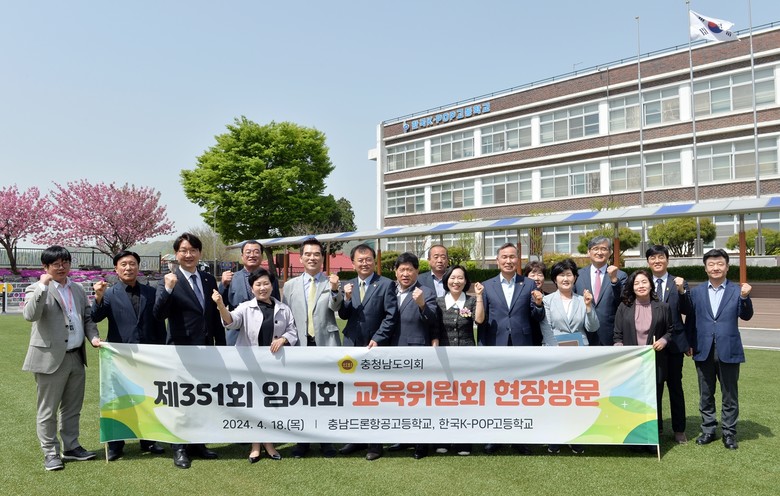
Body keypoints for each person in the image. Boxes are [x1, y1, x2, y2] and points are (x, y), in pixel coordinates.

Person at [22, 245, 100, 471]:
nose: (61, 267)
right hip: (50, 358)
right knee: (48, 410)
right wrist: (42, 286)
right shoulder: (35, 288)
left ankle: (71, 446)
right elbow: (30, 315)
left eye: (65, 262)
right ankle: (50, 452)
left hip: (76, 356)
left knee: (72, 407)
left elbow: (87, 317)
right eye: (55, 264)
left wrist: (93, 337)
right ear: (45, 267)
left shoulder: (77, 289)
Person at [153, 232, 225, 469]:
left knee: (201, 398)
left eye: (193, 250)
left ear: (199, 253)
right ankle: (179, 448)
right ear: (176, 254)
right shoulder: (168, 280)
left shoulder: (208, 279)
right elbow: (158, 314)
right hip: (180, 350)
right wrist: (168, 289)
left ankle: (198, 443)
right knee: (181, 400)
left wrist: (222, 346)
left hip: (205, 348)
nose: (188, 254)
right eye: (183, 250)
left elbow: (213, 316)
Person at [212, 268, 297, 463]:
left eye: (266, 283)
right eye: (258, 284)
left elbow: (292, 330)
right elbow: (231, 321)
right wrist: (221, 306)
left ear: (272, 286)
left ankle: (269, 443)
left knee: (270, 405)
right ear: (252, 289)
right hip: (250, 366)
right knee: (254, 405)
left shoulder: (283, 309)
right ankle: (256, 445)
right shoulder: (245, 308)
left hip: (275, 366)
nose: (262, 288)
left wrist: (283, 338)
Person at [91, 250, 167, 461]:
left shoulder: (150, 292)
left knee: (148, 399)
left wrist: (163, 350)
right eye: (123, 264)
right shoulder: (109, 293)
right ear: (116, 269)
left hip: (148, 356)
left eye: (132, 263)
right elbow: (95, 317)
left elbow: (159, 323)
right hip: (120, 357)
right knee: (119, 401)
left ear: (138, 267)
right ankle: (116, 444)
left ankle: (148, 440)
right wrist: (98, 297)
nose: (128, 268)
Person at [677, 248, 753, 450]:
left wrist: (745, 297)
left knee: (729, 394)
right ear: (705, 268)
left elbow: (746, 316)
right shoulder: (697, 292)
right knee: (705, 393)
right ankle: (708, 429)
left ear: (727, 267)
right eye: (711, 264)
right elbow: (690, 319)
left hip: (729, 348)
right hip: (703, 348)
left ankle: (729, 432)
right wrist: (689, 343)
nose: (715, 268)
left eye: (720, 264)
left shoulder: (737, 290)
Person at [478, 242, 545, 455]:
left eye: (512, 257)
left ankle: (520, 438)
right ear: (497, 261)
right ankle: (494, 436)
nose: (508, 261)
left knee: (519, 393)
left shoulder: (529, 284)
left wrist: (539, 304)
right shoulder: (487, 286)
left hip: (521, 344)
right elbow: (482, 319)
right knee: (495, 392)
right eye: (504, 257)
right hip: (495, 344)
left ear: (518, 260)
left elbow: (536, 317)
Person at [337, 243, 398, 461]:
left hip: (375, 347)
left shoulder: (386, 284)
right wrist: (345, 298)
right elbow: (343, 315)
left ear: (374, 261)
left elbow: (391, 316)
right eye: (360, 260)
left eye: (368, 259)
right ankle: (356, 438)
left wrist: (378, 338)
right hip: (351, 345)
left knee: (374, 395)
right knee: (353, 394)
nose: (364, 263)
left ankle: (375, 443)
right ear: (353, 263)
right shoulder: (348, 284)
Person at [282, 238, 342, 458]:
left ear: (322, 258)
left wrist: (334, 290)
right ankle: (302, 441)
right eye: (308, 254)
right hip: (300, 345)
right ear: (301, 258)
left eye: (316, 254)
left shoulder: (331, 282)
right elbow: (286, 316)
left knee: (325, 393)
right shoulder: (290, 286)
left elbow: (336, 307)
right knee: (301, 394)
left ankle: (326, 441)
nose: (312, 258)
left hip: (325, 344)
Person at [613, 269, 673, 454]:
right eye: (637, 283)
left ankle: (651, 438)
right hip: (631, 364)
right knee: (634, 400)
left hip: (654, 363)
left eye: (644, 282)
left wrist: (664, 340)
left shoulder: (663, 307)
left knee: (653, 400)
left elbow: (671, 330)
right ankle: (635, 438)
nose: (641, 286)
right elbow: (617, 334)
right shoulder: (624, 307)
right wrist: (620, 347)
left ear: (651, 285)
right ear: (632, 287)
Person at [386, 252, 439, 460]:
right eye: (402, 270)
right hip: (392, 351)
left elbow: (433, 320)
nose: (405, 274)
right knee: (400, 397)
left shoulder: (426, 292)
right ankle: (404, 437)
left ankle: (421, 443)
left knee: (418, 399)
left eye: (410, 269)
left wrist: (422, 304)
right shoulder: (389, 289)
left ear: (417, 271)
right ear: (396, 272)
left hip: (416, 352)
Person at [436, 264, 484, 456]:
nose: (456, 281)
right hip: (443, 358)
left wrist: (479, 297)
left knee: (465, 398)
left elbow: (479, 320)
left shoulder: (471, 301)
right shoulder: (438, 302)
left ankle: (464, 441)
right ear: (446, 280)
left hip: (466, 357)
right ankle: (443, 439)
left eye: (460, 278)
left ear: (466, 281)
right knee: (444, 398)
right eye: (452, 278)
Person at [646, 245, 691, 444]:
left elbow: (688, 310)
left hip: (674, 344)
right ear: (648, 262)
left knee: (675, 386)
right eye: (653, 258)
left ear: (667, 259)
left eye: (661, 257)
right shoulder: (643, 282)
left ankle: (679, 429)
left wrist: (682, 291)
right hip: (651, 344)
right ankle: (656, 427)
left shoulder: (678, 282)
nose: (657, 261)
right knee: (654, 388)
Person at [219, 240, 281, 345]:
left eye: (256, 252)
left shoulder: (271, 279)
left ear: (262, 256)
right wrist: (223, 285)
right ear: (242, 256)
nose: (252, 255)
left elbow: (277, 306)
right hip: (237, 336)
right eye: (248, 252)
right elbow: (220, 305)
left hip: (265, 336)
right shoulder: (231, 279)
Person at [574, 236, 627, 346]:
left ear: (610, 252)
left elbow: (624, 302)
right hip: (583, 333)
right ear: (588, 252)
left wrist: (614, 281)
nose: (599, 252)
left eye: (603, 249)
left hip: (609, 334)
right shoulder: (578, 275)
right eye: (595, 249)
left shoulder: (620, 276)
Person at [523, 261, 547, 346]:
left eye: (540, 275)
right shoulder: (521, 298)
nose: (536, 278)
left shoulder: (550, 297)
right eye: (532, 275)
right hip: (529, 342)